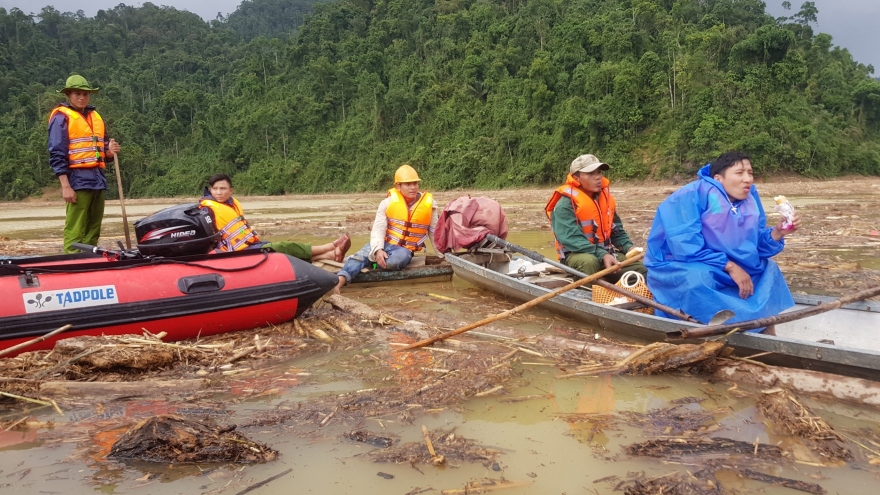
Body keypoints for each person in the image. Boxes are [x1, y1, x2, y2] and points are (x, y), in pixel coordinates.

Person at [644, 151, 801, 333]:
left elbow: (755, 247)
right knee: (696, 279)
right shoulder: (692, 194)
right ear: (718, 178)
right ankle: (706, 329)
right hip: (681, 263)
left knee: (769, 269)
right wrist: (730, 267)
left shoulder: (749, 198)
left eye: (750, 173)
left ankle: (766, 334)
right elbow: (684, 247)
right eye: (739, 173)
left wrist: (777, 233)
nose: (747, 179)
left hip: (725, 264)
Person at [335, 164, 439, 292]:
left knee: (395, 261)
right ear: (398, 186)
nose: (412, 187)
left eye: (415, 183)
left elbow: (435, 233)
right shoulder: (387, 203)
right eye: (407, 184)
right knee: (361, 255)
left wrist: (442, 255)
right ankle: (338, 283)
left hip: (403, 251)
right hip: (385, 244)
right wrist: (378, 249)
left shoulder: (430, 205)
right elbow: (378, 229)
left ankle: (369, 260)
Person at [199, 173, 349, 261]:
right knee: (282, 247)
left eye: (223, 188)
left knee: (279, 253)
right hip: (233, 252)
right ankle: (330, 247)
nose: (219, 192)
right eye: (215, 189)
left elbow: (240, 230)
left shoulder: (233, 204)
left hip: (247, 245)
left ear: (231, 191)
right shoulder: (207, 209)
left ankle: (329, 255)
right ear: (210, 190)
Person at [48, 74, 122, 253]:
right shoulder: (60, 118)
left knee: (94, 226)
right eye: (77, 94)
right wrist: (65, 186)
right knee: (76, 226)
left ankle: (89, 258)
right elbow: (57, 153)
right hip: (77, 179)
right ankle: (72, 262)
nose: (82, 98)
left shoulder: (95, 116)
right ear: (68, 95)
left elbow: (102, 148)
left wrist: (109, 152)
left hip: (97, 179)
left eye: (85, 94)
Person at [545, 154, 646, 282]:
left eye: (599, 172)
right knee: (589, 262)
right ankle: (590, 296)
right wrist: (602, 254)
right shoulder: (565, 205)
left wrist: (629, 247)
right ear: (576, 177)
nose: (598, 177)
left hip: (605, 252)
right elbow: (572, 239)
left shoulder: (605, 199)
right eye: (590, 173)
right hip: (577, 255)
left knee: (641, 269)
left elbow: (617, 231)